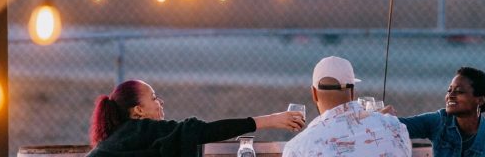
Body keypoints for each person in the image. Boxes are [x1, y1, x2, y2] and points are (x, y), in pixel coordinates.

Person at [87, 80, 305, 157]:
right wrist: (271, 120)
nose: (160, 102)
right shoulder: (145, 130)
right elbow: (204, 131)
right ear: (138, 111)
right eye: (153, 98)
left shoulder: (112, 141)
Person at [282, 56, 412, 157]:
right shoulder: (395, 128)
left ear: (314, 93)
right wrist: (383, 120)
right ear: (352, 92)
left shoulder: (297, 148)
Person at [381, 67, 485, 157]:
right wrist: (384, 117)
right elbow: (398, 127)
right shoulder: (439, 121)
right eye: (449, 90)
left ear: (480, 100)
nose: (450, 95)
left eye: (459, 91)